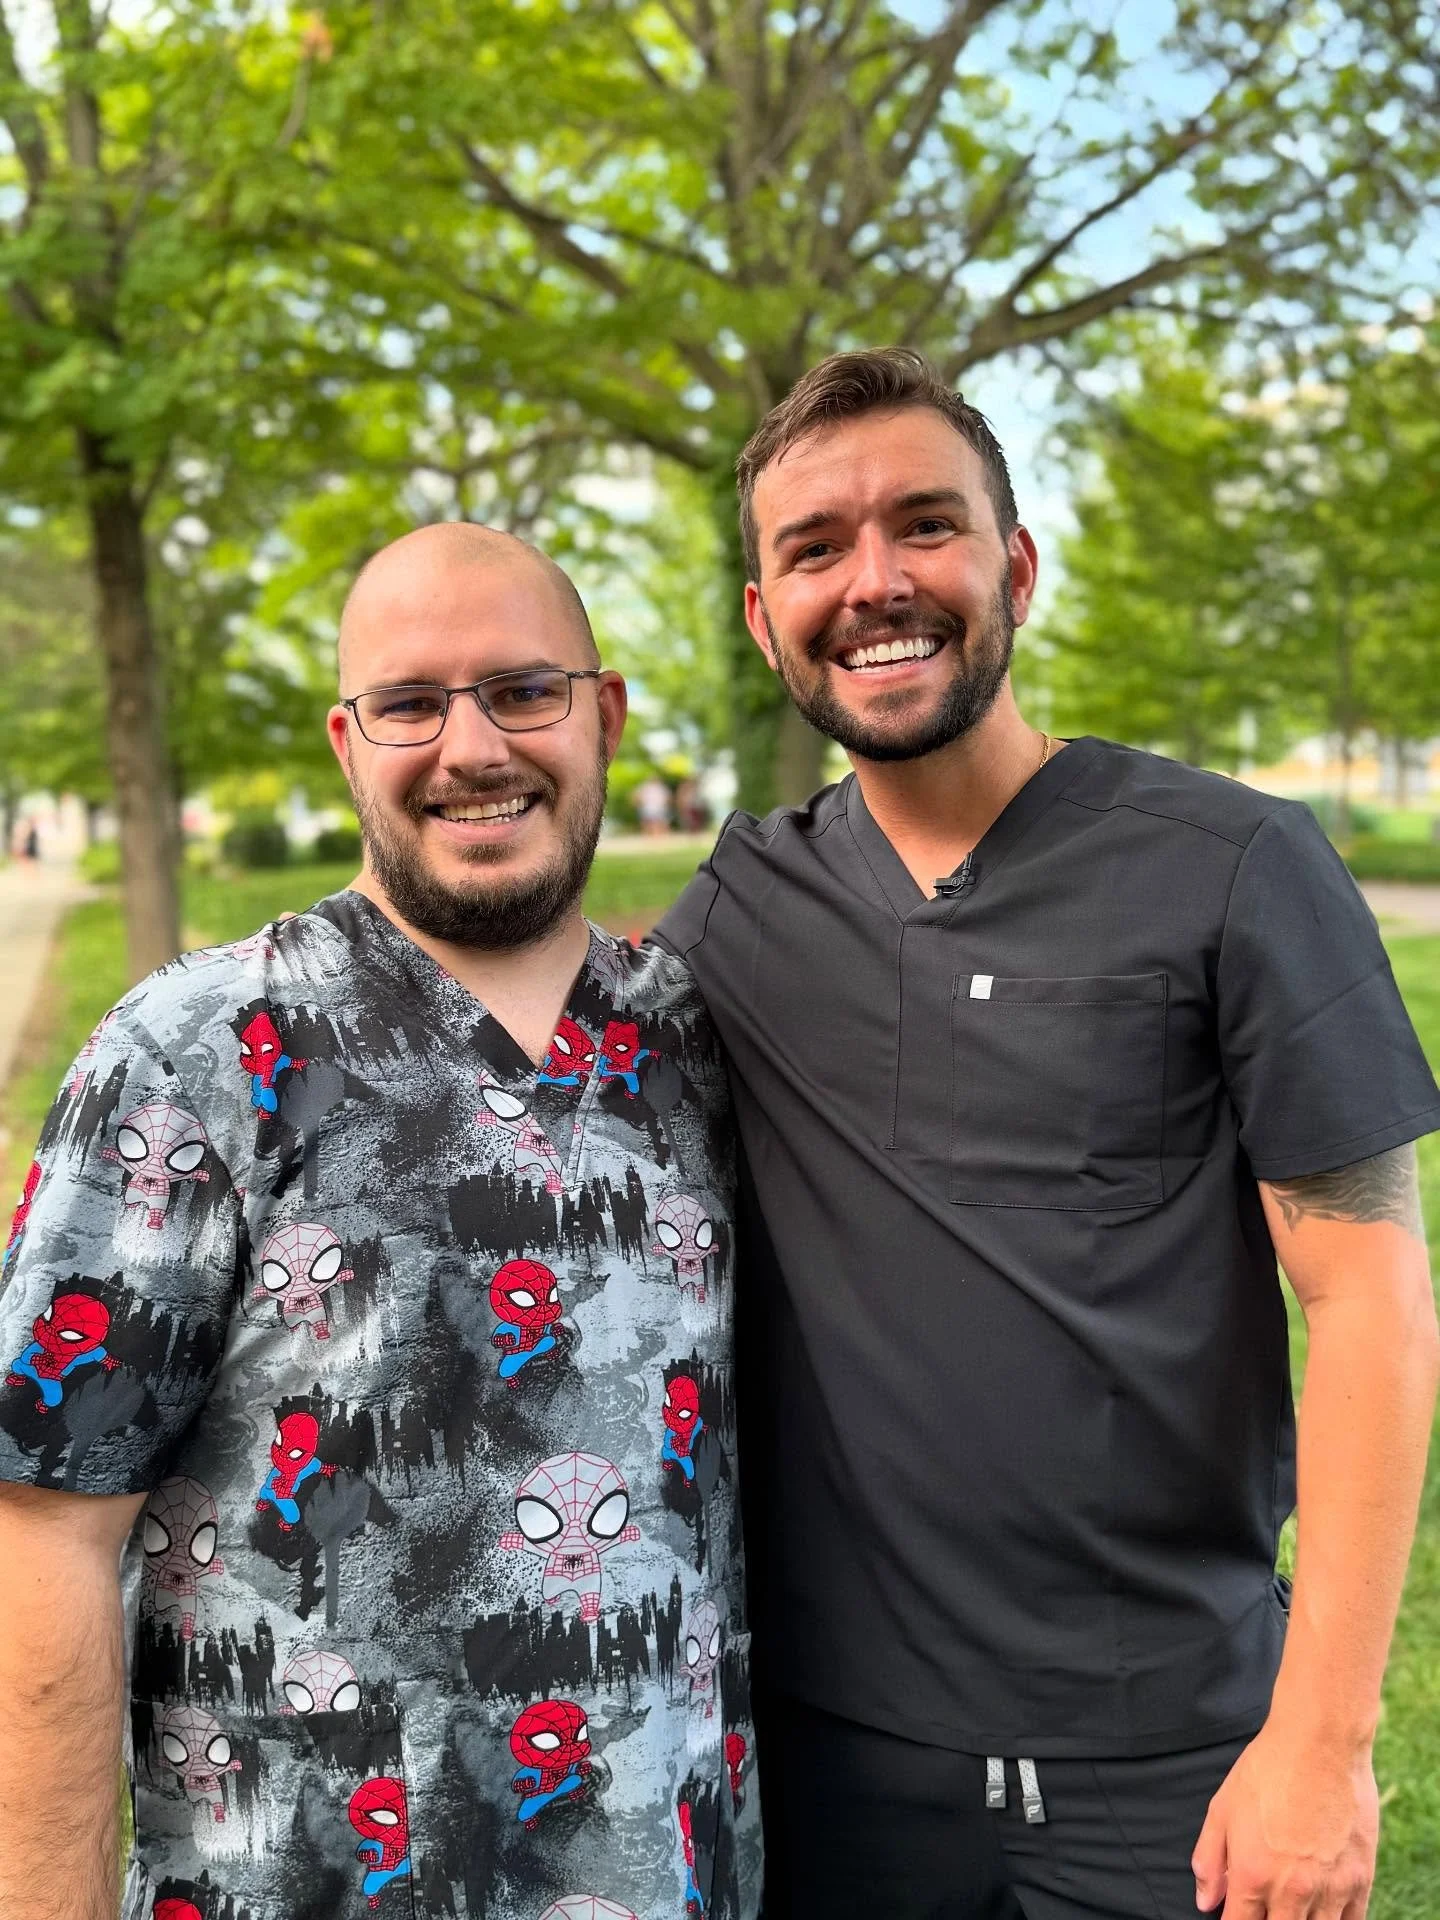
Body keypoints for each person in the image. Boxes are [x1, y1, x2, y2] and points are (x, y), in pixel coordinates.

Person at [653, 349, 1440, 1920]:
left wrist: (1322, 1740)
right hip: (829, 1776)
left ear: (1014, 567)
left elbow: (1368, 1302)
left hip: (1179, 1773)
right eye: (814, 548)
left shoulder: (1235, 869)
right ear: (764, 620)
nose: (873, 582)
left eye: (923, 525)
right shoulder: (739, 913)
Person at [0, 523, 761, 1920]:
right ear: (350, 744)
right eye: (413, 703)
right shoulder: (194, 1054)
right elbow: (41, 1523)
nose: (472, 747)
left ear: (606, 715)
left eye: (523, 690)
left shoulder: (693, 1045)